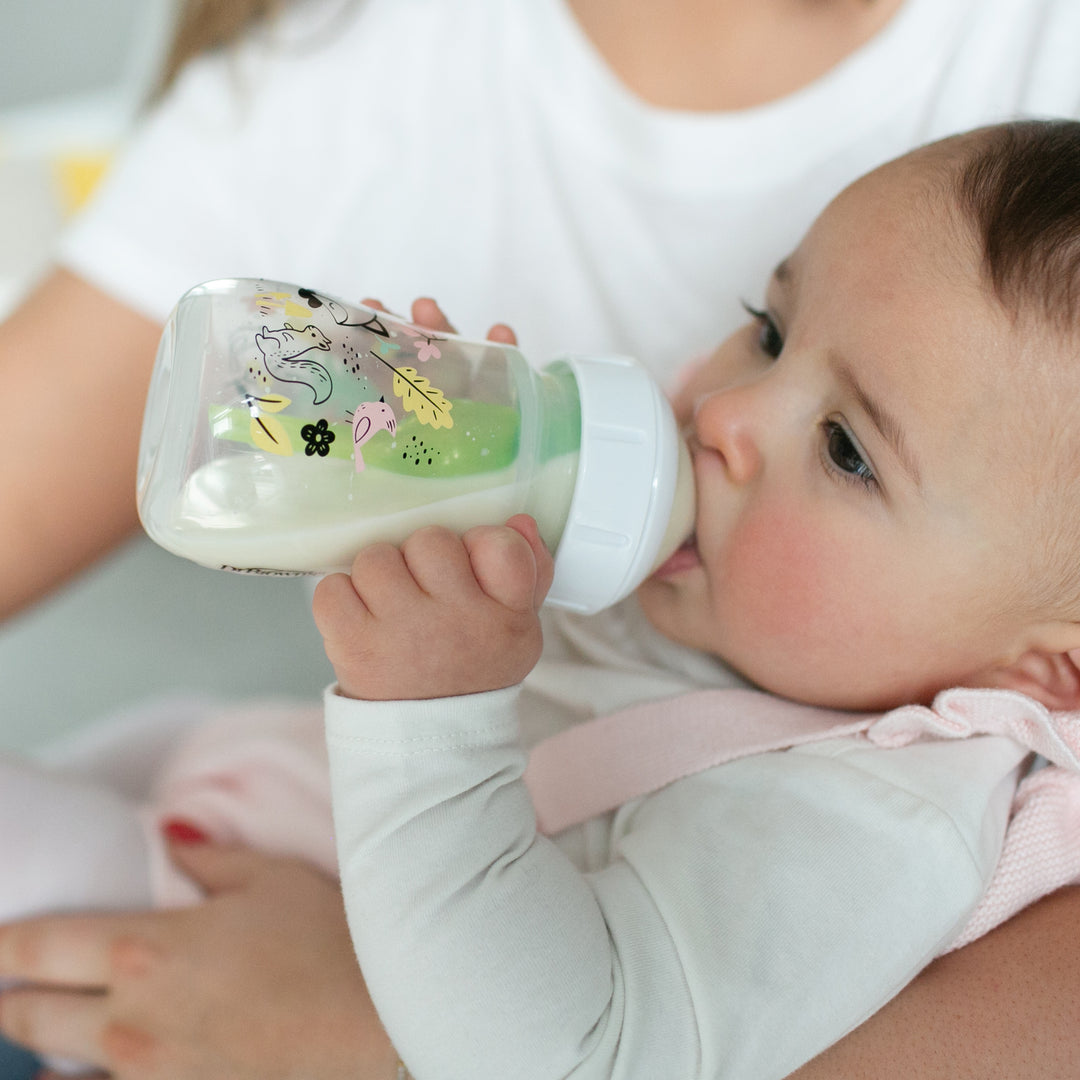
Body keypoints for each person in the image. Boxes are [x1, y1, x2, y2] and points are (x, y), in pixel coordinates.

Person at [2, 0, 1080, 1076]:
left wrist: (432, 714)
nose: (728, 414)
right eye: (770, 329)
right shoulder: (766, 618)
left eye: (847, 452)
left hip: (287, 926)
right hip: (282, 791)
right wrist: (430, 454)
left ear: (1049, 668)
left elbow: (579, 1057)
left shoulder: (870, 826)